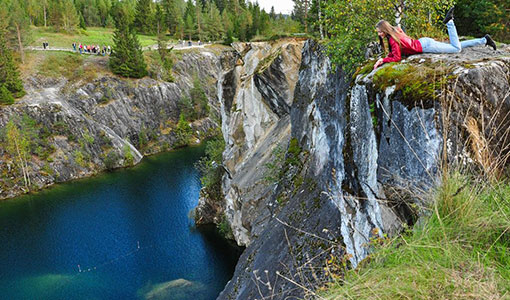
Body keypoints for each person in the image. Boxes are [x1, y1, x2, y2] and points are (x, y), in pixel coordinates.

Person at [374, 7, 497, 69]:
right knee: (456, 45)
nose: (379, 34)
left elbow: (396, 57)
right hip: (424, 42)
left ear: (384, 30)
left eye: (380, 32)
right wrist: (384, 58)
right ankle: (485, 40)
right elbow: (395, 52)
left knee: (456, 49)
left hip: (426, 46)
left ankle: (450, 22)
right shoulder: (396, 31)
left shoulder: (392, 39)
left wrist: (383, 61)